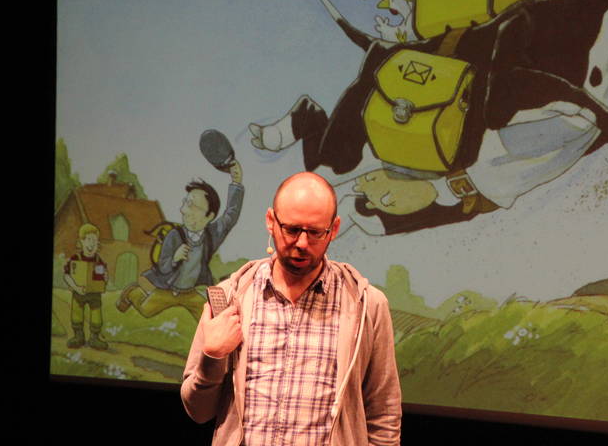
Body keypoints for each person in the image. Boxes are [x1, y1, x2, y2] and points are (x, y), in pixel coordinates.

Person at [181, 172, 402, 445]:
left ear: (333, 229)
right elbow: (198, 412)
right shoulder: (231, 298)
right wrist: (212, 357)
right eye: (292, 230)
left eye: (315, 232)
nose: (302, 243)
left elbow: (384, 416)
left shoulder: (367, 305)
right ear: (271, 221)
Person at [117, 161, 244, 320]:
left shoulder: (211, 236)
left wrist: (236, 184)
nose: (183, 210)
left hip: (190, 292)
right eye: (186, 203)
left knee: (208, 318)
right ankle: (133, 292)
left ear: (209, 216)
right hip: (168, 289)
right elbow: (162, 266)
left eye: (192, 206)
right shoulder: (174, 236)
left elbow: (230, 216)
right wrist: (174, 258)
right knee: (146, 310)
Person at [64, 223, 109, 350]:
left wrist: (105, 278)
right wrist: (76, 287)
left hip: (95, 294)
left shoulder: (99, 261)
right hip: (79, 293)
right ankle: (78, 336)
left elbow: (102, 278)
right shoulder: (75, 259)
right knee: (76, 313)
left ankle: (94, 338)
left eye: (95, 240)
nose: (92, 243)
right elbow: (66, 275)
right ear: (82, 242)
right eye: (89, 239)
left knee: (96, 314)